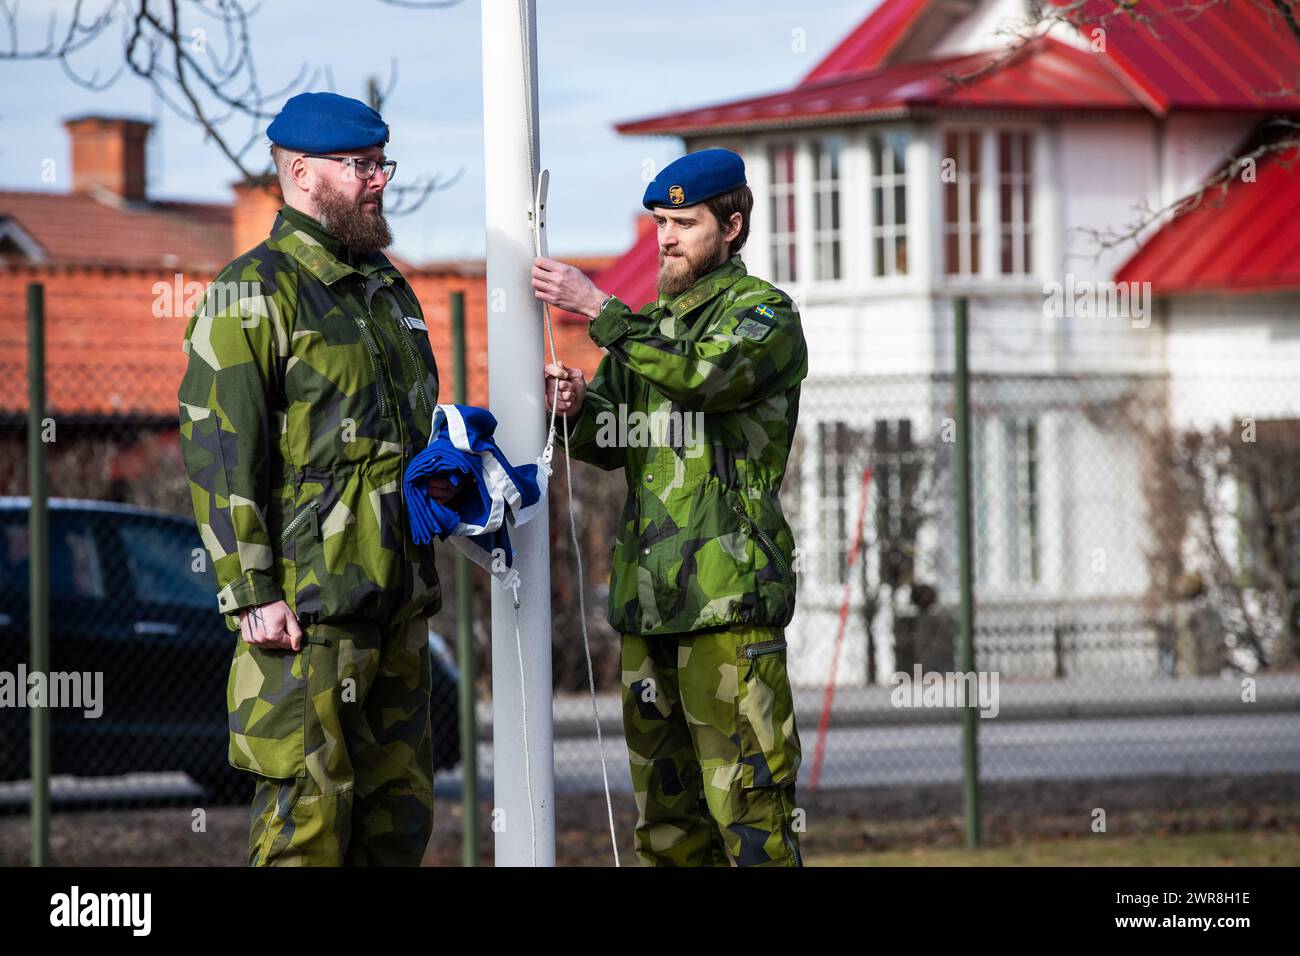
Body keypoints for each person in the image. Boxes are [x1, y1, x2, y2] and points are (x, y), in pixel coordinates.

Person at [178, 91, 454, 866]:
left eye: (380, 164)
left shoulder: (385, 289)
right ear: (303, 172)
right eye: (361, 166)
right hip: (307, 615)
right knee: (307, 830)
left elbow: (396, 437)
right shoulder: (252, 292)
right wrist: (251, 590)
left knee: (396, 828)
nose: (379, 181)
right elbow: (220, 448)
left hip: (396, 604)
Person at [532, 148, 809, 866]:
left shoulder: (764, 316)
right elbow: (612, 436)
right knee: (667, 833)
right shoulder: (648, 326)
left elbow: (705, 378)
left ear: (734, 225)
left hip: (727, 608)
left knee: (752, 824)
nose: (666, 238)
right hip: (649, 608)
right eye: (658, 222)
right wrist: (576, 405)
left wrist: (600, 310)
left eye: (684, 222)